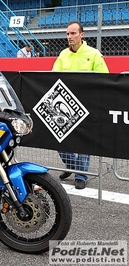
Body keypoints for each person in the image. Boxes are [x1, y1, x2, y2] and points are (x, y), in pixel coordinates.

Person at [52, 21, 109, 189]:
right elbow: (52, 78)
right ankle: (72, 165)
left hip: (86, 105)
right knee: (58, 138)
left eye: (73, 33)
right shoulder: (63, 54)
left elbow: (104, 78)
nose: (69, 37)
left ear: (82, 35)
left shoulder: (94, 54)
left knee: (84, 140)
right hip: (65, 106)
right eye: (68, 34)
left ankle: (81, 175)